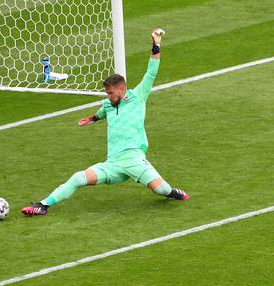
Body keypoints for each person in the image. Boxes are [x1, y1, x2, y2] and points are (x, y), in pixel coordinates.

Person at [22, 28, 188, 216]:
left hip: (134, 158)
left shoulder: (137, 96)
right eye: (106, 93)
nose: (108, 97)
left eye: (110, 93)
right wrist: (92, 118)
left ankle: (172, 192)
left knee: (162, 190)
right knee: (78, 178)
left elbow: (151, 73)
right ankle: (42, 205)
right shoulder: (108, 105)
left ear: (122, 89)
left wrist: (156, 45)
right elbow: (103, 112)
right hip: (113, 163)